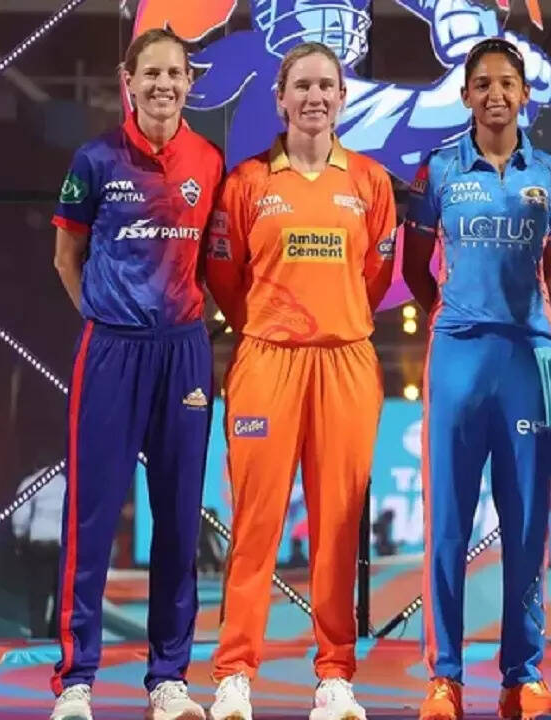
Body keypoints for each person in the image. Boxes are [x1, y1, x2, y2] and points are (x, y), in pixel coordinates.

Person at [204, 40, 396, 720]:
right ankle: (235, 674)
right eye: (302, 86)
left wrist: (331, 322)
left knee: (338, 525)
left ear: (342, 99)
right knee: (255, 521)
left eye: (326, 86)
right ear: (280, 99)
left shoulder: (370, 182)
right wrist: (269, 326)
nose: (315, 96)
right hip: (267, 361)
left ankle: (335, 675)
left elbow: (374, 278)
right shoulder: (247, 182)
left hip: (345, 362)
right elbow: (224, 276)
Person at [48, 27, 221, 720]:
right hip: (111, 351)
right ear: (129, 81)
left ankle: (169, 680)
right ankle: (77, 680)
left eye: (174, 73)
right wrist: (105, 317)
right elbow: (66, 257)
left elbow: (215, 259)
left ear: (189, 83)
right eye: (151, 73)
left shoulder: (208, 161)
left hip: (184, 353)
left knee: (178, 519)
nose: (163, 85)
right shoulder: (94, 159)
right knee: (90, 516)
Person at [402, 36, 551, 720]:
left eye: (508, 83)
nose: (496, 94)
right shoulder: (441, 168)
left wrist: (523, 316)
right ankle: (444, 677)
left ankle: (521, 675)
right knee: (448, 521)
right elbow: (416, 266)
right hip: (457, 355)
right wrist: (454, 314)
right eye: (483, 84)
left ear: (524, 94)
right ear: (466, 95)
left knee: (527, 520)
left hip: (527, 358)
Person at [11, 462, 65, 639]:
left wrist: (20, 537)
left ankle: (38, 637)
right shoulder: (65, 484)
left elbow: (20, 515)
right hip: (61, 546)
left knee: (38, 598)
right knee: (61, 596)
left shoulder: (30, 483)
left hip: (39, 547)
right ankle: (56, 636)